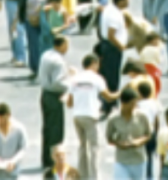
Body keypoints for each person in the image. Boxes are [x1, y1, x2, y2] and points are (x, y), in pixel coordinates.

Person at [69, 52, 119, 178]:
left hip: (77, 115)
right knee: (94, 148)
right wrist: (121, 92)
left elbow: (69, 102)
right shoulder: (97, 78)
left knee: (82, 146)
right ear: (94, 64)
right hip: (90, 115)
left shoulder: (75, 78)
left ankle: (83, 175)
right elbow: (108, 97)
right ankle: (94, 176)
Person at [38, 34, 71, 170]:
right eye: (66, 45)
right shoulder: (59, 61)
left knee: (47, 128)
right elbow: (57, 82)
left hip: (44, 94)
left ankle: (46, 158)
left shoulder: (46, 54)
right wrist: (71, 82)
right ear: (61, 45)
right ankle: (54, 160)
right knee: (56, 130)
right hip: (54, 96)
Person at [107, 87, 153, 180]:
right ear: (123, 103)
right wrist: (119, 144)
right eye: (132, 103)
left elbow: (149, 134)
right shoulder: (113, 118)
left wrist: (138, 142)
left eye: (136, 103)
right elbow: (109, 138)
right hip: (121, 160)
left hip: (139, 160)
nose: (134, 106)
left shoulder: (142, 116)